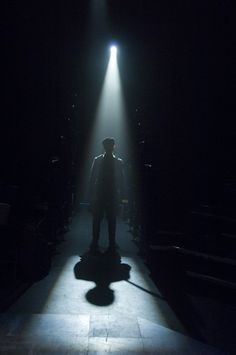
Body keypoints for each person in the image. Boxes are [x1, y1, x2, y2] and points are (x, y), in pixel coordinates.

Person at [89, 137, 124, 254]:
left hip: (104, 194)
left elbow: (92, 179)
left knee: (100, 219)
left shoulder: (99, 160)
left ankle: (98, 242)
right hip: (108, 194)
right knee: (108, 220)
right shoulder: (117, 161)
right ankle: (109, 242)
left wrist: (91, 196)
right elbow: (121, 181)